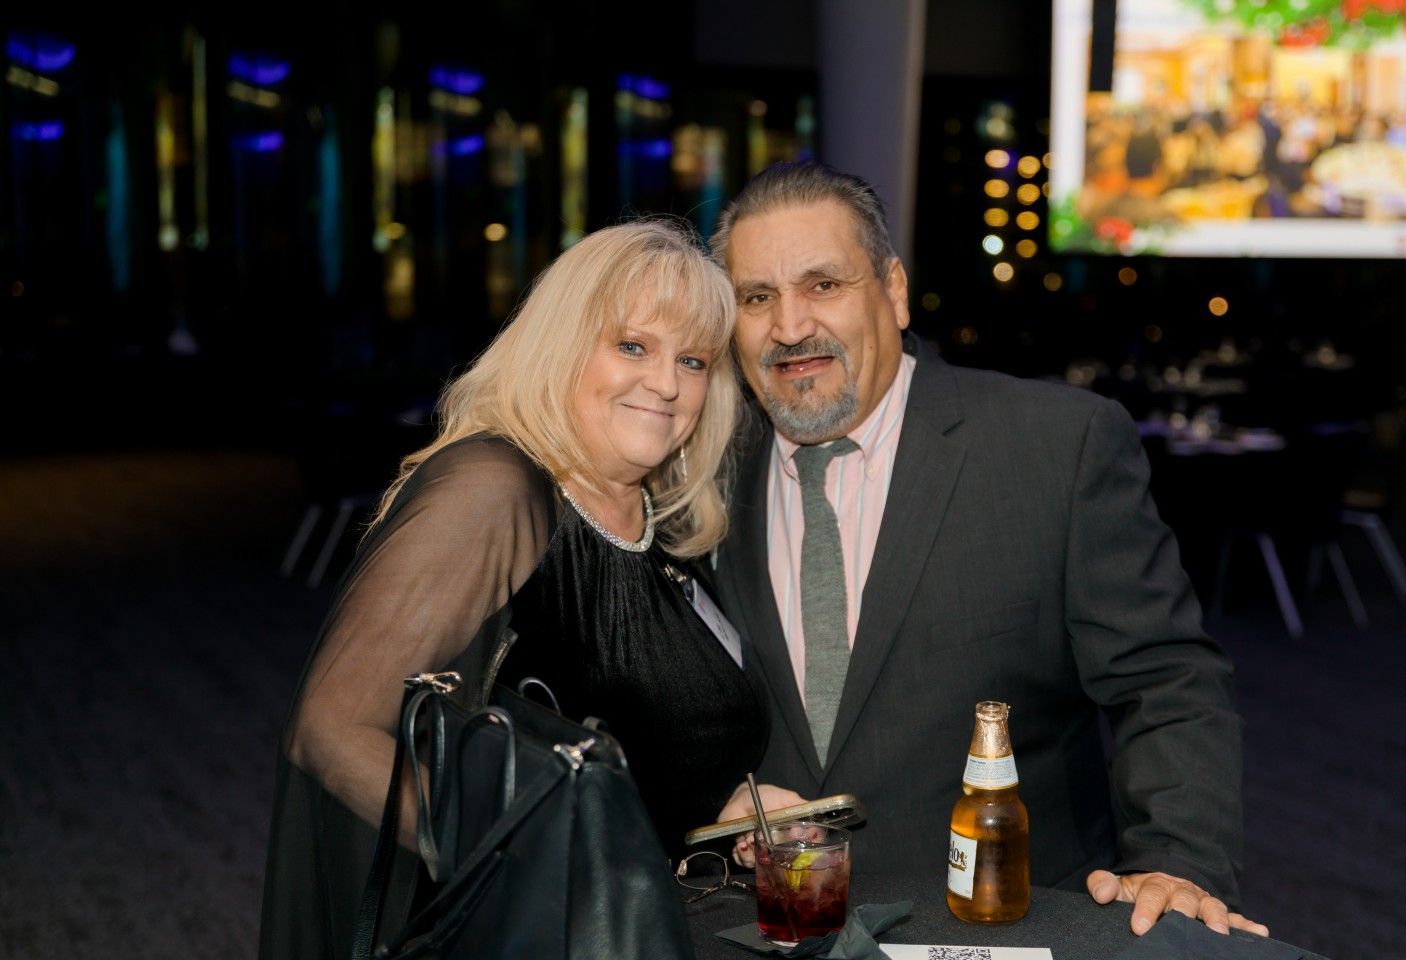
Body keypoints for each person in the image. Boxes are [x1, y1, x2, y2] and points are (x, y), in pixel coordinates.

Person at [705, 161, 1266, 938]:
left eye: (823, 285)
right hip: (781, 928)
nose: (790, 325)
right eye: (757, 298)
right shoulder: (700, 472)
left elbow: (1165, 681)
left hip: (1009, 927)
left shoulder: (1054, 447)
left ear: (894, 291)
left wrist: (1177, 859)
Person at [259, 219, 767, 960]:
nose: (666, 383)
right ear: (562, 346)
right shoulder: (495, 489)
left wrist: (727, 807)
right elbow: (330, 730)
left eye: (691, 360)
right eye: (633, 346)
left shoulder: (660, 517)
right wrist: (531, 861)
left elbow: (628, 753)